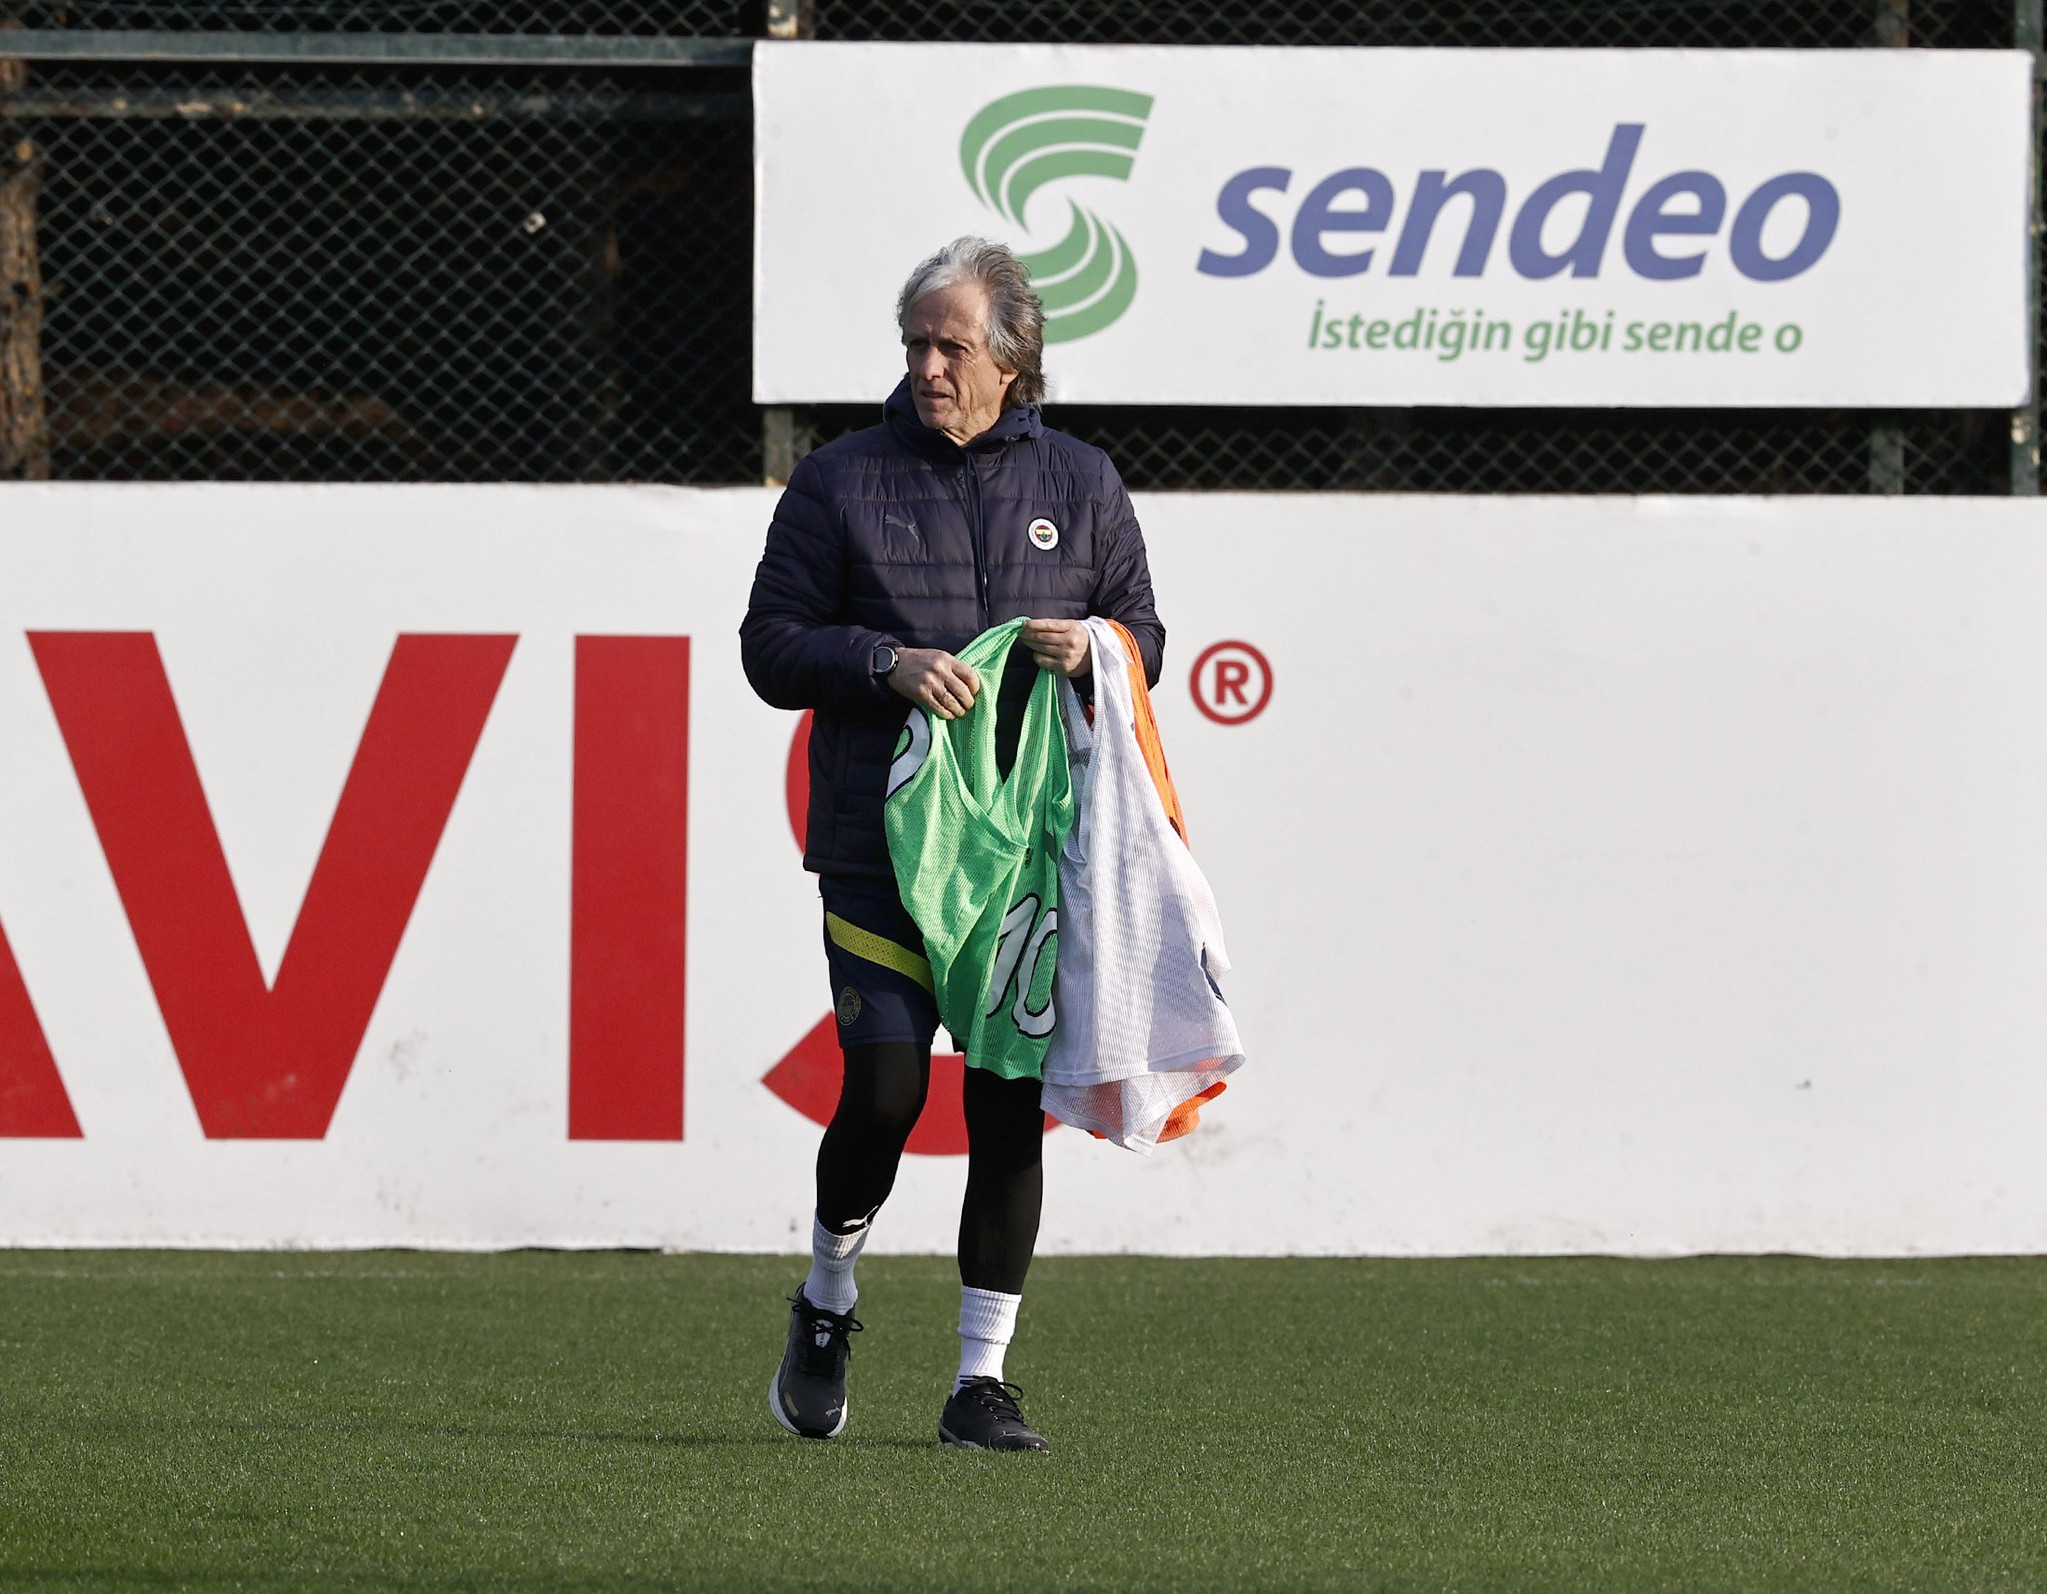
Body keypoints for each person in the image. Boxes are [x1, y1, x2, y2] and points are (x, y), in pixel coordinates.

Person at [739, 236, 1165, 1452]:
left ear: (1012, 361)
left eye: (951, 347)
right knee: (881, 1088)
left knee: (1002, 1104)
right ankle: (827, 1296)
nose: (928, 367)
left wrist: (1093, 648)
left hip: (1028, 851)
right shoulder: (839, 480)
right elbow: (770, 648)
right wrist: (886, 661)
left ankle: (981, 1381)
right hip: (881, 841)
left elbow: (1146, 635)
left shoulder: (1083, 482)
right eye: (915, 345)